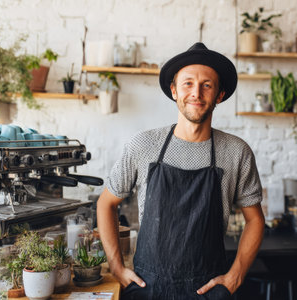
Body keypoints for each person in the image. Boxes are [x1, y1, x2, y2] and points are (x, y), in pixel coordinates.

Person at [97, 42, 265, 300]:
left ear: (219, 94)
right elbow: (106, 203)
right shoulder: (143, 145)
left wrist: (235, 277)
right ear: (174, 91)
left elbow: (255, 220)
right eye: (187, 83)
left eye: (207, 85)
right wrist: (117, 267)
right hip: (147, 289)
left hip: (207, 290)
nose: (196, 93)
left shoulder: (236, 152)